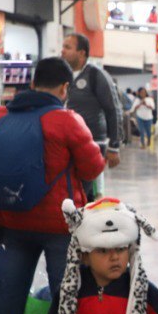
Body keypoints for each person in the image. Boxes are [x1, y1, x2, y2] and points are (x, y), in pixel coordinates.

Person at [0, 57, 106, 314]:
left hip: (14, 218)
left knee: (12, 290)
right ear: (65, 87)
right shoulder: (67, 120)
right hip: (58, 223)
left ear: (33, 81)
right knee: (63, 294)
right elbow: (93, 168)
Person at [61, 33, 121, 198]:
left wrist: (114, 146)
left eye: (68, 47)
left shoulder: (96, 76)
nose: (62, 51)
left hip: (93, 145)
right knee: (72, 192)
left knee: (89, 195)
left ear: (82, 53)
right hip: (68, 145)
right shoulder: (62, 75)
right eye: (63, 47)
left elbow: (113, 109)